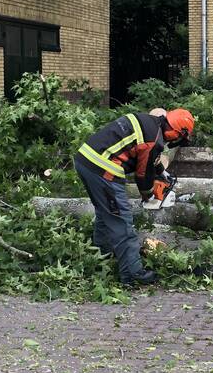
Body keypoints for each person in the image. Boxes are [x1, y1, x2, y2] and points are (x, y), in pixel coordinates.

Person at [74, 108, 195, 285]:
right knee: (121, 219)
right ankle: (132, 273)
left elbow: (148, 157)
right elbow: (143, 175)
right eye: (178, 138)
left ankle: (101, 256)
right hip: (103, 169)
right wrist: (149, 196)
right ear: (177, 132)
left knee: (106, 212)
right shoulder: (153, 140)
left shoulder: (149, 124)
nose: (173, 141)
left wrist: (162, 173)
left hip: (85, 160)